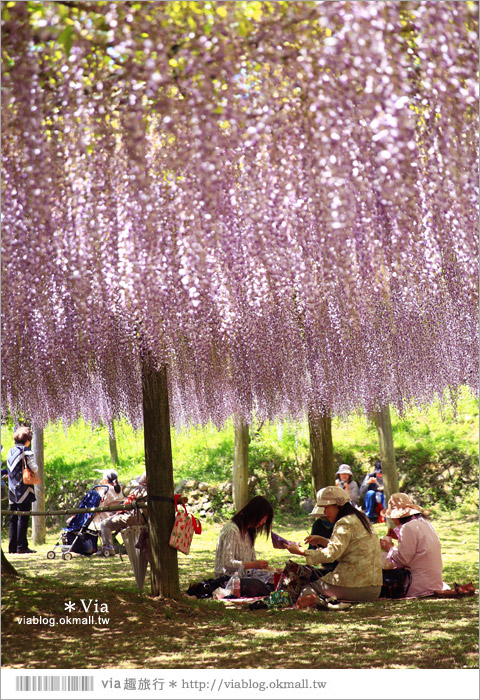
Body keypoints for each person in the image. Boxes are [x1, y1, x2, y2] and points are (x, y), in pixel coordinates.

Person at [287, 486, 383, 602]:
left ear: (338, 506)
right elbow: (349, 548)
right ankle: (326, 602)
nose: (324, 512)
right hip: (374, 590)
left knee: (309, 587)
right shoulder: (361, 519)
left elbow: (331, 554)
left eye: (326, 508)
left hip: (354, 586)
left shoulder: (344, 523)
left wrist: (301, 552)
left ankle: (318, 602)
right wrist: (323, 540)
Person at [380, 493, 447, 597]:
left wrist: (389, 547)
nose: (392, 520)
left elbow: (402, 559)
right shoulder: (424, 523)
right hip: (434, 582)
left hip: (418, 586)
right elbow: (419, 544)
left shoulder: (407, 528)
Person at [214, 495, 273, 578]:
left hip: (242, 578)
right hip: (227, 580)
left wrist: (264, 568)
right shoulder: (232, 530)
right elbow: (227, 563)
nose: (264, 522)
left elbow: (252, 560)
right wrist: (253, 564)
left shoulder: (249, 532)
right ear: (255, 514)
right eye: (264, 517)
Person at [6, 426, 39, 554]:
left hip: (12, 490)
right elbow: (34, 468)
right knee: (23, 517)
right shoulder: (27, 451)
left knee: (13, 519)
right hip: (24, 489)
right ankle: (22, 546)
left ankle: (12, 547)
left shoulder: (10, 451)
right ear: (27, 440)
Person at [98, 473, 147, 554]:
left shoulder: (138, 490)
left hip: (134, 518)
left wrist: (118, 513)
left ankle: (108, 548)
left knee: (104, 524)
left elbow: (126, 505)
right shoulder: (155, 491)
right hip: (147, 519)